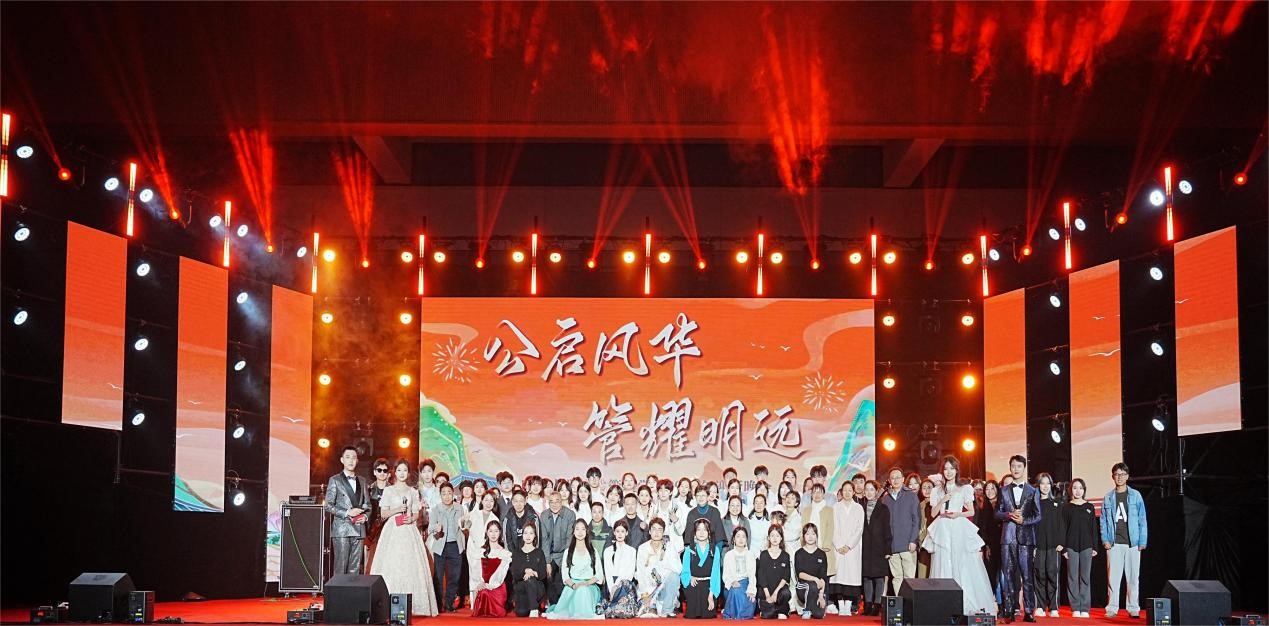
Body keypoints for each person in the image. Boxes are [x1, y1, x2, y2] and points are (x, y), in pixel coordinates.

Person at [922, 455, 998, 615]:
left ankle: (964, 602)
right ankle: (944, 605)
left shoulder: (965, 488)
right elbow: (933, 513)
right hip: (942, 528)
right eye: (945, 469)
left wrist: (958, 514)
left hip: (958, 527)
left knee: (961, 564)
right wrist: (943, 499)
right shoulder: (937, 490)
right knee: (943, 563)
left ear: (956, 470)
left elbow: (971, 511)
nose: (948, 472)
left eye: (952, 468)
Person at [367, 459, 439, 616]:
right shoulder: (389, 491)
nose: (402, 473)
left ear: (408, 473)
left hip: (409, 530)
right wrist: (397, 510)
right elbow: (383, 513)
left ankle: (412, 604)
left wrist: (411, 518)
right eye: (399, 470)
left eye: (405, 470)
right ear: (394, 472)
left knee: (410, 564)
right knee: (391, 563)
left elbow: (416, 513)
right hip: (392, 530)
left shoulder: (413, 491)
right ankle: (387, 603)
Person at [996, 455, 1042, 623]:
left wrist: (1024, 521)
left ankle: (1029, 611)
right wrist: (1008, 515)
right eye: (1013, 466)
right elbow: (997, 513)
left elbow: (1038, 515)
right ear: (1010, 468)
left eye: (1019, 466)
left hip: (1026, 539)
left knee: (1027, 576)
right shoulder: (1003, 490)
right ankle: (1008, 610)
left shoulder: (1032, 491)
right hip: (1008, 538)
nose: (1016, 469)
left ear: (1024, 468)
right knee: (1008, 575)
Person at [1101, 462, 1147, 619]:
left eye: (1122, 474)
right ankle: (1112, 607)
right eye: (1116, 474)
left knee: (1133, 577)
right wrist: (1105, 539)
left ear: (1127, 476)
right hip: (1114, 543)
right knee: (1113, 578)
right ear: (1112, 476)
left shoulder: (1135, 495)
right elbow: (1103, 521)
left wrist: (1142, 541)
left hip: (1132, 543)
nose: (1119, 477)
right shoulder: (1108, 497)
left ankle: (1133, 607)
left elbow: (1142, 519)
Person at [324, 446, 370, 578]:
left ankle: (353, 592)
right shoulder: (335, 480)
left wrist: (365, 516)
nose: (351, 460)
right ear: (342, 460)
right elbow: (328, 505)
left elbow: (368, 505)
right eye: (348, 457)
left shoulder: (362, 480)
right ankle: (338, 592)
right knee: (341, 567)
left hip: (359, 529)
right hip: (342, 529)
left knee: (355, 569)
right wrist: (348, 512)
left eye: (354, 458)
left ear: (357, 461)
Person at [546, 520, 604, 620]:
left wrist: (586, 583)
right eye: (577, 529)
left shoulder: (593, 551)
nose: (580, 532)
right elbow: (565, 574)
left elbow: (599, 574)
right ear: (573, 532)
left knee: (582, 590)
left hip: (589, 586)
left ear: (586, 531)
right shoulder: (568, 552)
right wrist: (573, 585)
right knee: (563, 609)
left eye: (583, 529)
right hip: (572, 585)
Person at [881, 467, 920, 595]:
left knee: (909, 578)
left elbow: (916, 520)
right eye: (892, 478)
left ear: (903, 479)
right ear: (889, 480)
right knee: (897, 577)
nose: (895, 480)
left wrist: (913, 540)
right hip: (892, 546)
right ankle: (900, 603)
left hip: (907, 544)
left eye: (898, 477)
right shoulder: (886, 498)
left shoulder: (911, 496)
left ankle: (909, 604)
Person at [798, 484, 836, 613]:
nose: (817, 495)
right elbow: (803, 528)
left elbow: (831, 528)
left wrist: (825, 545)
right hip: (808, 547)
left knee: (824, 576)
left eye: (819, 492)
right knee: (810, 578)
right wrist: (803, 544)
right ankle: (810, 604)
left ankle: (824, 602)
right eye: (814, 492)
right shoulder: (806, 510)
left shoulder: (829, 510)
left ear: (824, 494)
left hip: (823, 548)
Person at [1062, 478, 1098, 619]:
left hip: (1087, 546)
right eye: (1075, 488)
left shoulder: (1089, 507)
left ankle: (1085, 608)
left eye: (1080, 488)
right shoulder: (1066, 507)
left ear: (1084, 490)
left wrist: (1095, 547)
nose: (1078, 491)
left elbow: (1093, 528)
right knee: (1072, 577)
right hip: (1071, 546)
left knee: (1085, 577)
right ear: (1071, 490)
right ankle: (1075, 607)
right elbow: (1063, 528)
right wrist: (1064, 549)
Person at [429, 482, 467, 612]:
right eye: (443, 493)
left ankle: (449, 603)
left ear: (453, 494)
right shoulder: (436, 509)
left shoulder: (459, 508)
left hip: (455, 546)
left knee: (454, 576)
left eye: (449, 493)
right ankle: (438, 605)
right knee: (438, 577)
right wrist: (436, 527)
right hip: (440, 545)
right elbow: (430, 528)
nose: (447, 496)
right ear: (440, 495)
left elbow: (464, 525)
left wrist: (466, 523)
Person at [1033, 473, 1065, 618]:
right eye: (1042, 483)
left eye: (1047, 483)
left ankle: (1054, 607)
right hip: (1038, 546)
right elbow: (1031, 526)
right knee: (1039, 575)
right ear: (1038, 485)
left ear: (1051, 485)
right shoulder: (1033, 504)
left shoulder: (1057, 504)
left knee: (1053, 575)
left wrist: (1061, 542)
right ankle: (1040, 606)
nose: (1045, 486)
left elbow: (1062, 525)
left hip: (1054, 545)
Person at [636, 517, 682, 617]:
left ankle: (667, 610)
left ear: (663, 532)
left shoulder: (669, 546)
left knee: (674, 576)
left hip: (664, 587)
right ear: (649, 531)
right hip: (648, 588)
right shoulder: (642, 548)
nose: (656, 532)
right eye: (654, 529)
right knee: (647, 611)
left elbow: (678, 569)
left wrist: (663, 560)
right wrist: (645, 594)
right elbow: (640, 573)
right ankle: (652, 605)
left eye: (660, 529)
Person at [830, 482, 863, 616]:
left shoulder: (858, 508)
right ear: (841, 492)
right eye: (845, 490)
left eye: (850, 490)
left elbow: (859, 529)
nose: (847, 493)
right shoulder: (835, 507)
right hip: (838, 548)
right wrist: (839, 545)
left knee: (851, 577)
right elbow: (833, 527)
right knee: (839, 577)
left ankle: (848, 606)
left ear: (854, 492)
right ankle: (840, 605)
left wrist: (849, 545)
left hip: (852, 549)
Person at [860, 480, 892, 617]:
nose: (869, 492)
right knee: (866, 577)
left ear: (877, 491)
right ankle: (867, 604)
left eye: (871, 489)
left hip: (879, 547)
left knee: (879, 578)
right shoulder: (860, 507)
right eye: (866, 489)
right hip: (865, 546)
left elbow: (887, 530)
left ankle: (877, 605)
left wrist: (888, 549)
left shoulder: (883, 508)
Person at [538, 490, 576, 606]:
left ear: (562, 501)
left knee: (560, 583)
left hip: (564, 554)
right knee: (549, 579)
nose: (554, 504)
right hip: (549, 554)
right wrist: (547, 561)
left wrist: (565, 560)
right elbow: (544, 539)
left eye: (557, 501)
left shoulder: (570, 515)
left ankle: (562, 605)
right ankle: (552, 606)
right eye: (551, 502)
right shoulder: (544, 515)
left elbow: (569, 539)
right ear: (548, 503)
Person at [470, 520, 512, 618]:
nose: (493, 534)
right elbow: (476, 570)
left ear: (500, 533)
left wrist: (489, 585)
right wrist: (480, 583)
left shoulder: (504, 553)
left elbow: (500, 575)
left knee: (486, 593)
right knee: (483, 593)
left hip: (497, 587)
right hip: (482, 586)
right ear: (487, 532)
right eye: (491, 531)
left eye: (496, 531)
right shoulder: (480, 551)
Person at [682, 519, 723, 619]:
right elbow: (685, 571)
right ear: (694, 533)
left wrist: (711, 594)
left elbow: (716, 574)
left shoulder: (715, 550)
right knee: (691, 615)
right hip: (694, 584)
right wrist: (690, 578)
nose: (701, 532)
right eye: (698, 529)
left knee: (708, 615)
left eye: (704, 530)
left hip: (709, 586)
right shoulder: (689, 550)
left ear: (709, 533)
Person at [602, 520, 640, 618]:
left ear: (626, 533)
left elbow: (630, 573)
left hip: (625, 586)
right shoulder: (607, 551)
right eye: (617, 531)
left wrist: (618, 586)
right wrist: (612, 588)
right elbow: (608, 572)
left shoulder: (632, 551)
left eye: (622, 531)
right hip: (611, 586)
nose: (620, 534)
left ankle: (616, 606)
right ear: (614, 533)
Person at [511, 522, 548, 617]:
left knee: (530, 580)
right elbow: (515, 574)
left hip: (537, 588)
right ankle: (533, 606)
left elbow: (543, 574)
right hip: (522, 589)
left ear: (535, 535)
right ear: (522, 535)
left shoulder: (539, 552)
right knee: (521, 613)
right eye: (526, 533)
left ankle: (534, 608)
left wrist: (533, 573)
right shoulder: (517, 552)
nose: (528, 536)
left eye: (531, 533)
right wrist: (525, 571)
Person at [756, 526, 793, 620]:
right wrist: (768, 595)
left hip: (779, 591)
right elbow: (761, 576)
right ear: (768, 538)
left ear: (781, 538)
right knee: (766, 616)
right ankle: (780, 610)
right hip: (766, 592)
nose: (775, 538)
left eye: (777, 535)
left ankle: (781, 610)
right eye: (772, 535)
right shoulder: (763, 554)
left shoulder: (785, 555)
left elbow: (786, 576)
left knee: (786, 593)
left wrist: (775, 593)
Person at [794, 524, 829, 619]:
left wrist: (821, 595)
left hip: (818, 588)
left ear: (817, 536)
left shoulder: (821, 554)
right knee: (812, 585)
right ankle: (807, 610)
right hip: (802, 587)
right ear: (803, 536)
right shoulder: (799, 553)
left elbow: (823, 577)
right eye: (807, 534)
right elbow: (800, 574)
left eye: (813, 534)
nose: (810, 537)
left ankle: (815, 606)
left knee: (819, 615)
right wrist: (814, 579)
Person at [722, 526, 758, 619]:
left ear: (746, 539)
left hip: (746, 583)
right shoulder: (728, 555)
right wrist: (732, 581)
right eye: (738, 536)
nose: (741, 539)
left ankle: (736, 614)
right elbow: (725, 575)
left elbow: (752, 575)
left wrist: (751, 590)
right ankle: (738, 614)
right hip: (732, 584)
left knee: (750, 598)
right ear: (734, 539)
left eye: (743, 536)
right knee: (735, 590)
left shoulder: (750, 554)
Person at [977, 479, 1003, 603]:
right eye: (987, 489)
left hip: (1004, 543)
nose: (990, 491)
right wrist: (986, 545)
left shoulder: (1003, 506)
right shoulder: (983, 509)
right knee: (991, 573)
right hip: (990, 546)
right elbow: (982, 529)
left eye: (992, 488)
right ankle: (991, 600)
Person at [364, 458, 391, 565]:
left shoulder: (393, 490)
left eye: (385, 470)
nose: (382, 473)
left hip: (388, 529)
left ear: (388, 473)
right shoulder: (368, 490)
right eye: (379, 470)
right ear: (374, 472)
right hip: (372, 531)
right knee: (370, 561)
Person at [917, 479, 936, 578]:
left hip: (935, 541)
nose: (927, 490)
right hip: (923, 542)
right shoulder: (919, 505)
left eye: (929, 487)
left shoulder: (938, 504)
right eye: (924, 488)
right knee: (923, 572)